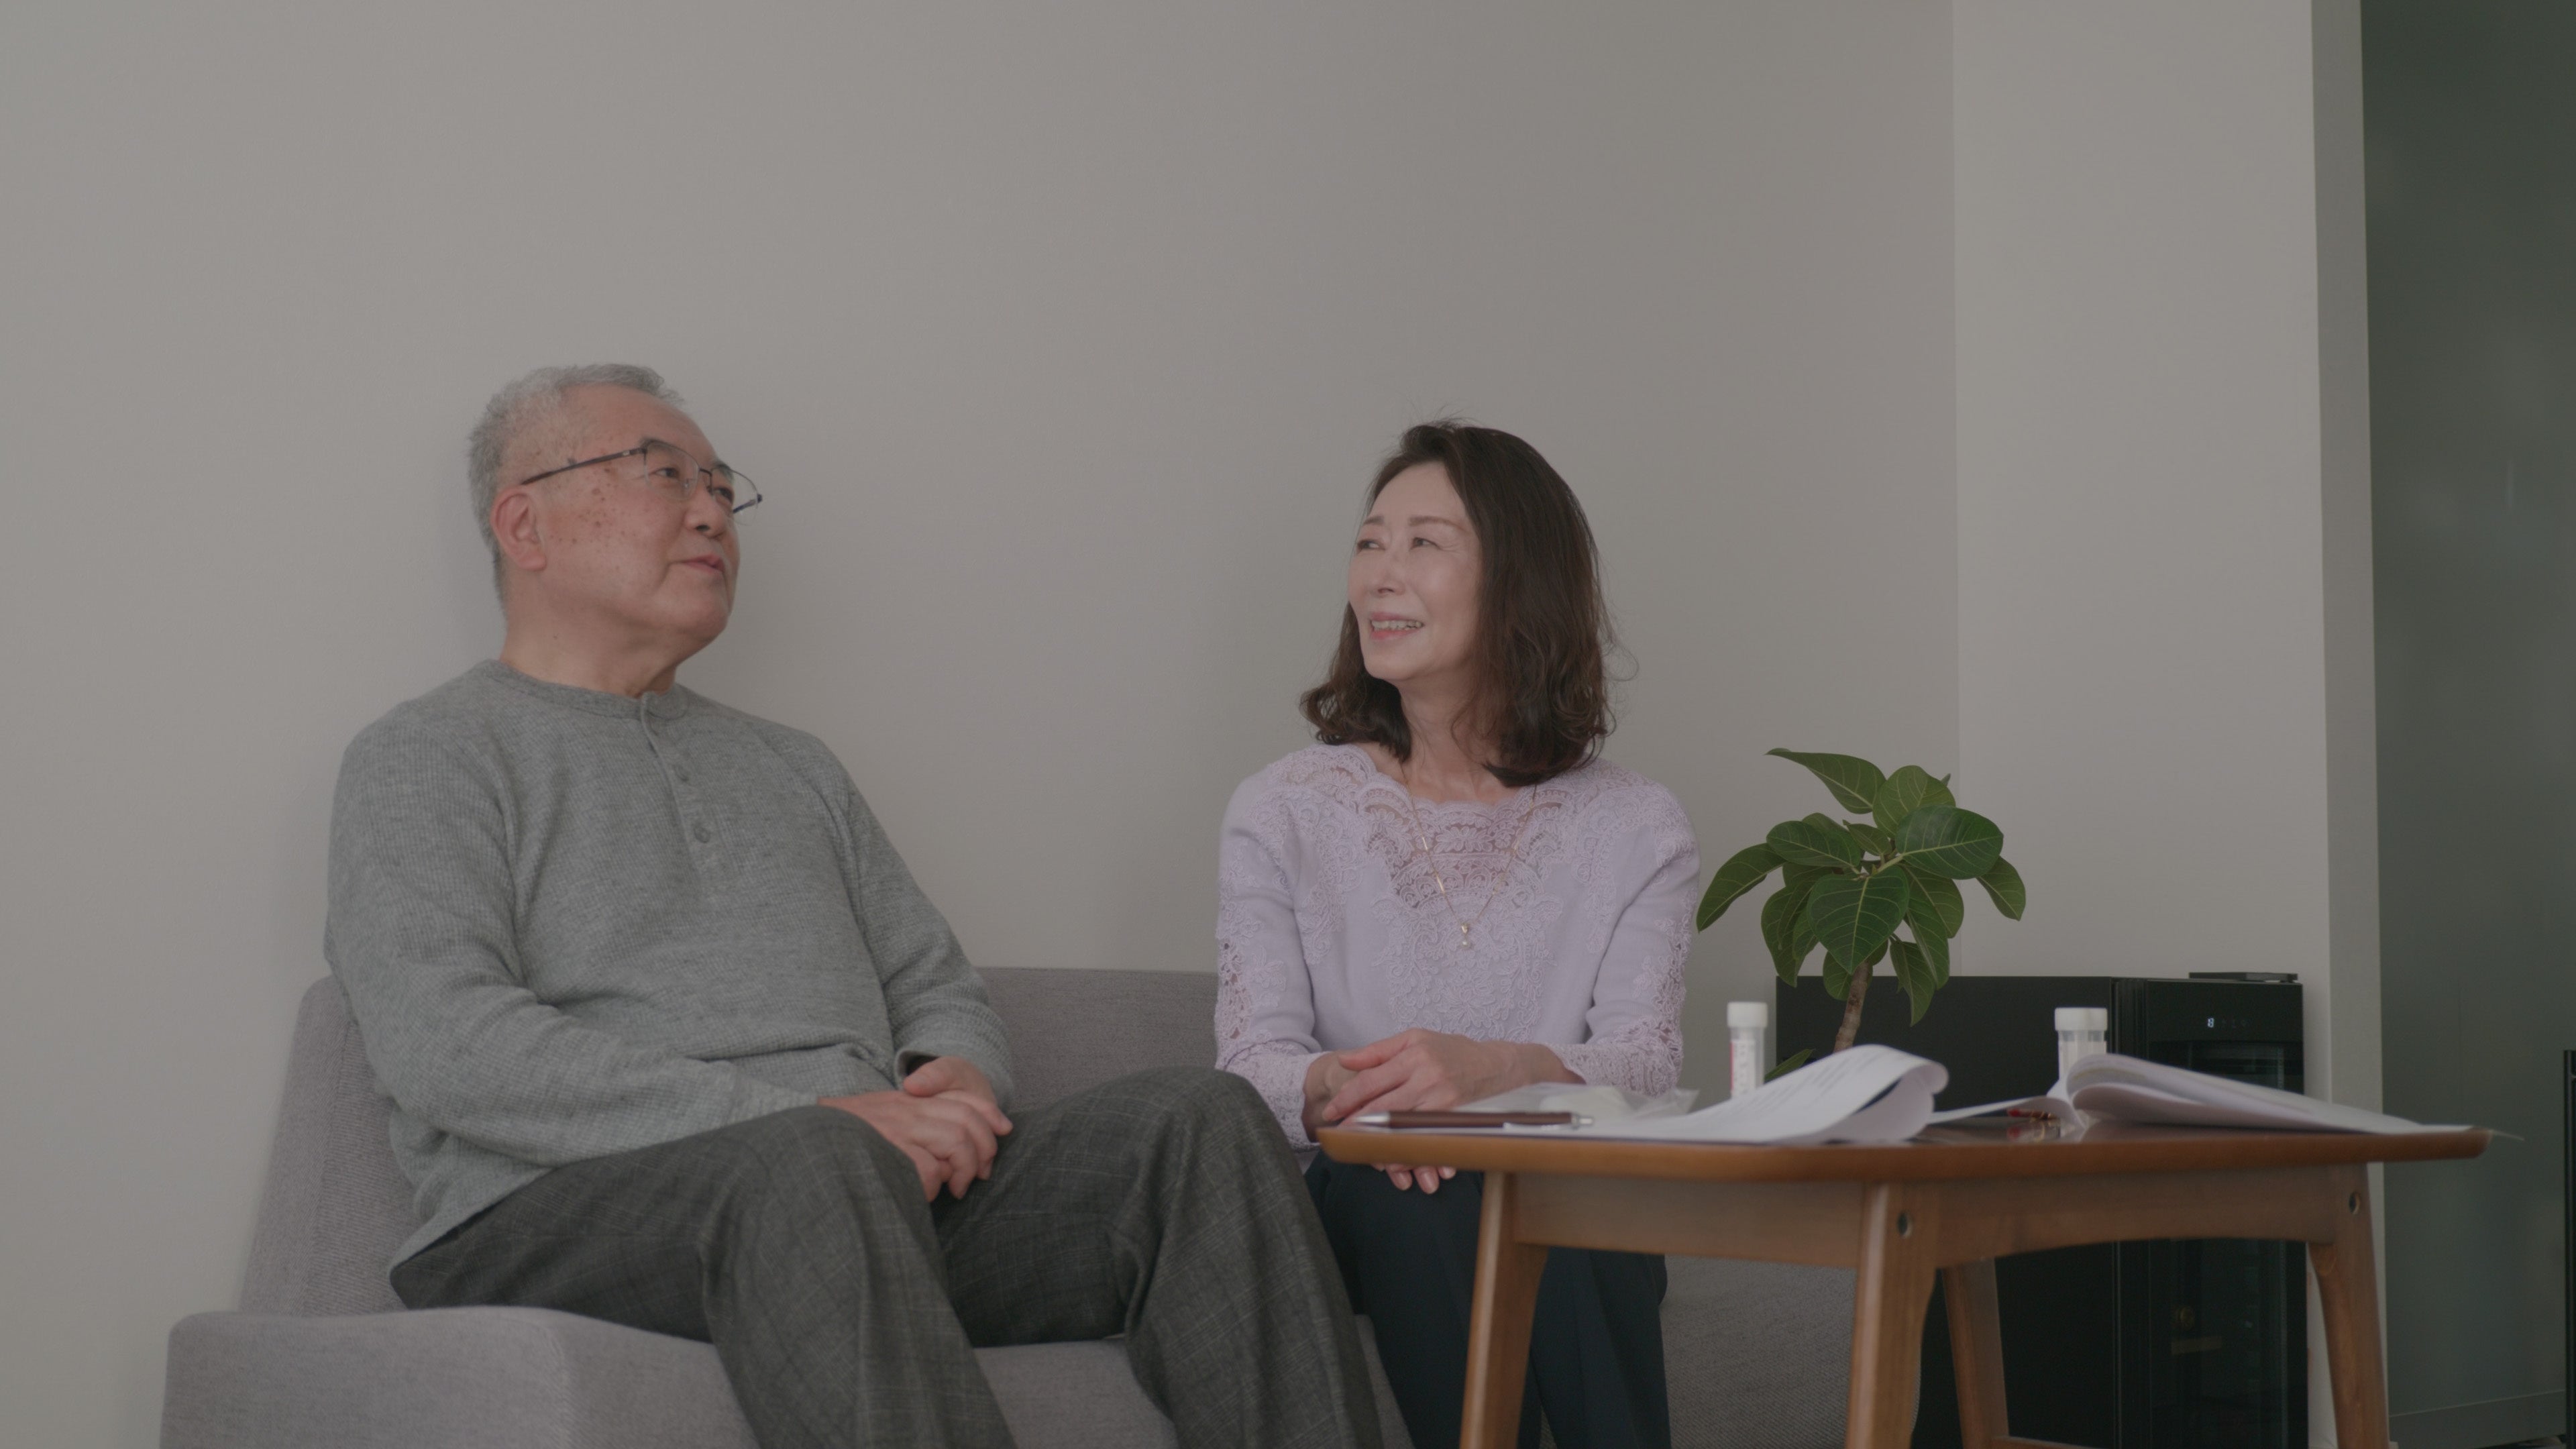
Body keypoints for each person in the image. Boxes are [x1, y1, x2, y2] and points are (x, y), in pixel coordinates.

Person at [327, 364, 1381, 1449]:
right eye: (662, 474)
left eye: (720, 487)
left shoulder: (795, 767)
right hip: (555, 1214)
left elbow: (934, 983)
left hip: (853, 1199)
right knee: (814, 1166)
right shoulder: (426, 756)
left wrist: (958, 1081)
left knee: (1194, 1123)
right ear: (524, 525)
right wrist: (814, 1122)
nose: (711, 512)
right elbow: (447, 1045)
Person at [1215, 421, 1697, 1449]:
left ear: (1519, 582)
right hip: (1360, 1195)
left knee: (1560, 1201)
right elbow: (1250, 1068)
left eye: (1424, 543)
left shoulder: (1636, 823)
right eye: (1370, 542)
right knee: (1422, 1195)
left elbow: (1647, 1065)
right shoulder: (1283, 808)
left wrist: (1496, 1072)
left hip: (1559, 1187)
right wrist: (1370, 1099)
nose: (1380, 575)